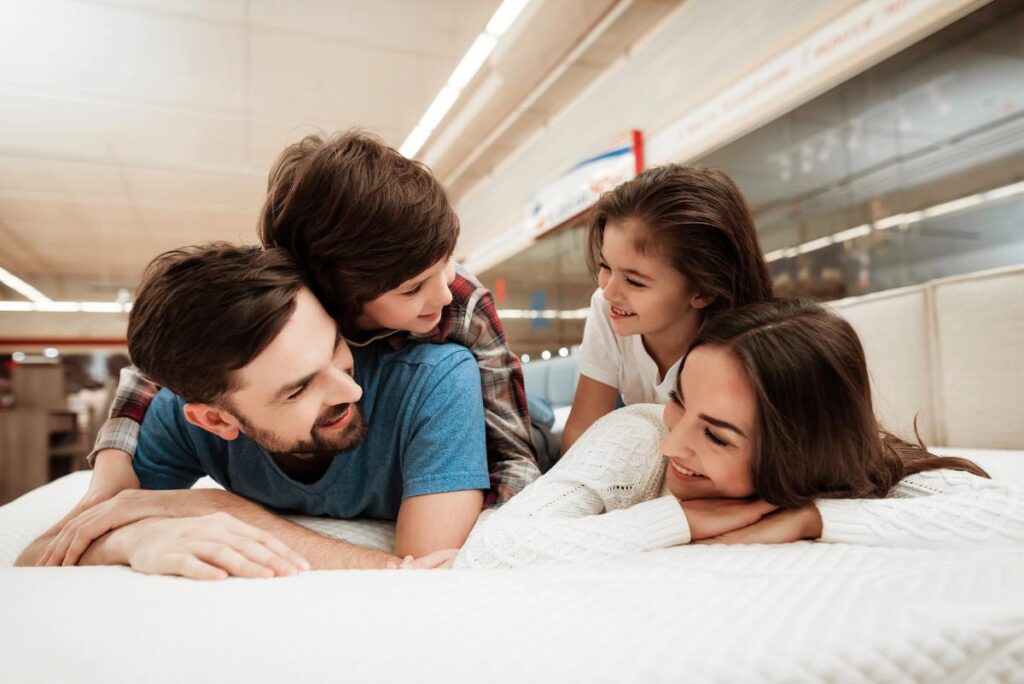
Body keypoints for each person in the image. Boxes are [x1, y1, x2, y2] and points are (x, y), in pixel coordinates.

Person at [83, 130, 539, 522]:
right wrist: (111, 465)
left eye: (447, 262)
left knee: (537, 422)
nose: (442, 292)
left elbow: (512, 450)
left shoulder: (459, 301)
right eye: (411, 288)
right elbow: (179, 353)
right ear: (330, 291)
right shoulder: (293, 295)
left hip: (495, 411)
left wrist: (493, 531)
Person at [17, 244, 490, 578]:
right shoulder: (175, 418)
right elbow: (44, 551)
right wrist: (134, 540)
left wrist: (218, 507)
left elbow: (422, 572)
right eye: (299, 387)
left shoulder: (435, 379)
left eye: (336, 347)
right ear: (216, 420)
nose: (350, 389)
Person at [453, 299, 1024, 568]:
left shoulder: (838, 474)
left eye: (719, 436)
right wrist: (680, 520)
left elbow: (1007, 513)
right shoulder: (639, 435)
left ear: (801, 450)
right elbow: (492, 545)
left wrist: (809, 518)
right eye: (680, 400)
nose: (675, 445)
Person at [562, 165, 774, 454]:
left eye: (634, 281)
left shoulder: (744, 352)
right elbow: (581, 431)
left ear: (704, 290)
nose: (609, 291)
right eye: (605, 267)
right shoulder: (606, 306)